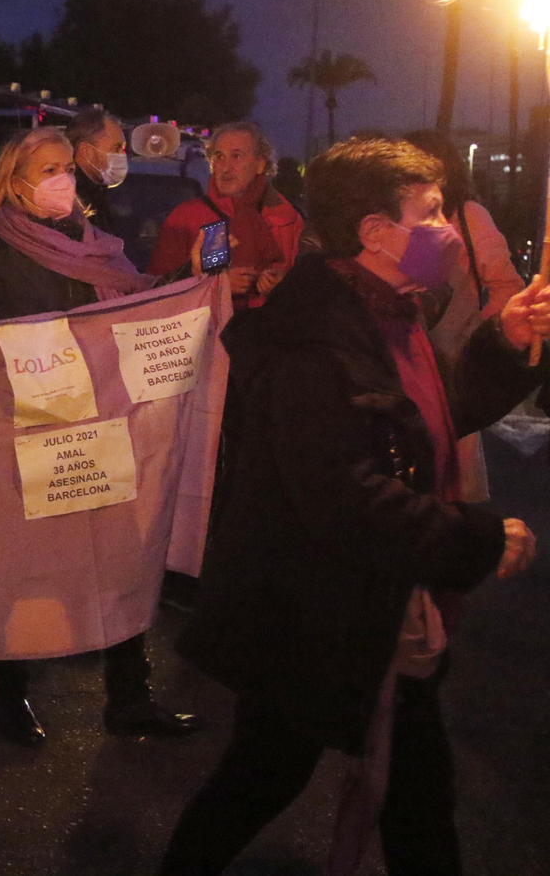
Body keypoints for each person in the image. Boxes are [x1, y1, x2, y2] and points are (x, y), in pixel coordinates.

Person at [161, 138, 546, 876]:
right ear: (374, 232)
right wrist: (477, 538)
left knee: (414, 793)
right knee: (264, 775)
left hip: (371, 604)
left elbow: (426, 419)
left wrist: (506, 343)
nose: (448, 230)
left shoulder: (391, 311)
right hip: (313, 612)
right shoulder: (313, 340)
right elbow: (347, 495)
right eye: (431, 213)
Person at [0, 126, 205, 746]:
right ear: (14, 185)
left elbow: (137, 307)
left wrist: (193, 278)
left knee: (117, 558)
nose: (62, 181)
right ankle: (9, 694)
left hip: (102, 431)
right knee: (21, 569)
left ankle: (130, 697)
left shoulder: (100, 248)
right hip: (26, 436)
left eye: (67, 168)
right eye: (47, 170)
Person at [404, 130, 523, 503]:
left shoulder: (469, 216)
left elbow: (507, 285)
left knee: (455, 479)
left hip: (453, 365)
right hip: (411, 359)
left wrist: (480, 333)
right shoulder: (404, 219)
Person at [148, 121, 304, 311]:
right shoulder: (186, 217)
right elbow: (156, 292)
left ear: (260, 165)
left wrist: (279, 283)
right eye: (219, 156)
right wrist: (219, 285)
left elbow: (305, 289)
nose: (225, 167)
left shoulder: (286, 219)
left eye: (236, 156)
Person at [66, 108, 129, 233]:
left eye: (123, 149)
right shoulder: (70, 202)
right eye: (116, 148)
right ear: (86, 151)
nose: (122, 155)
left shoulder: (96, 195)